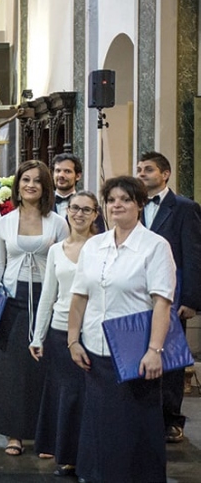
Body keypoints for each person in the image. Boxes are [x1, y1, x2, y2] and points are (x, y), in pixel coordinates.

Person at [67, 176, 175, 483]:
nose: (117, 205)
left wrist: (154, 350)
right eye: (112, 200)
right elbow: (80, 295)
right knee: (98, 423)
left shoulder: (154, 246)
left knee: (131, 426)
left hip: (133, 350)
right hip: (95, 348)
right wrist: (73, 339)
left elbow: (162, 302)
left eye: (125, 200)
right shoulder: (94, 245)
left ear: (140, 205)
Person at [0, 159, 68, 456]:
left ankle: (44, 435)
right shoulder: (4, 222)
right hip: (12, 298)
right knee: (12, 370)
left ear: (45, 187)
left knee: (45, 368)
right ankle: (14, 433)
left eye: (37, 181)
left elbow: (68, 262)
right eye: (25, 180)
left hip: (48, 296)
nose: (30, 185)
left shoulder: (57, 222)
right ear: (17, 185)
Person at [28, 191, 99, 477]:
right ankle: (68, 456)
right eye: (74, 209)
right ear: (67, 211)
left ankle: (89, 457)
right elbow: (48, 295)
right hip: (59, 330)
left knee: (88, 397)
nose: (79, 214)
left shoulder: (101, 246)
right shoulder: (57, 249)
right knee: (67, 396)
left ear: (96, 214)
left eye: (86, 210)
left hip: (92, 330)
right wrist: (37, 335)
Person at [136, 151, 201, 444]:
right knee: (139, 351)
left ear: (165, 174)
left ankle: (171, 419)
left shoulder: (185, 208)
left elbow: (194, 254)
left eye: (147, 169)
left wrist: (190, 299)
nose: (141, 174)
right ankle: (142, 414)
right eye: (138, 169)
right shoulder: (132, 205)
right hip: (137, 293)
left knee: (170, 357)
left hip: (172, 295)